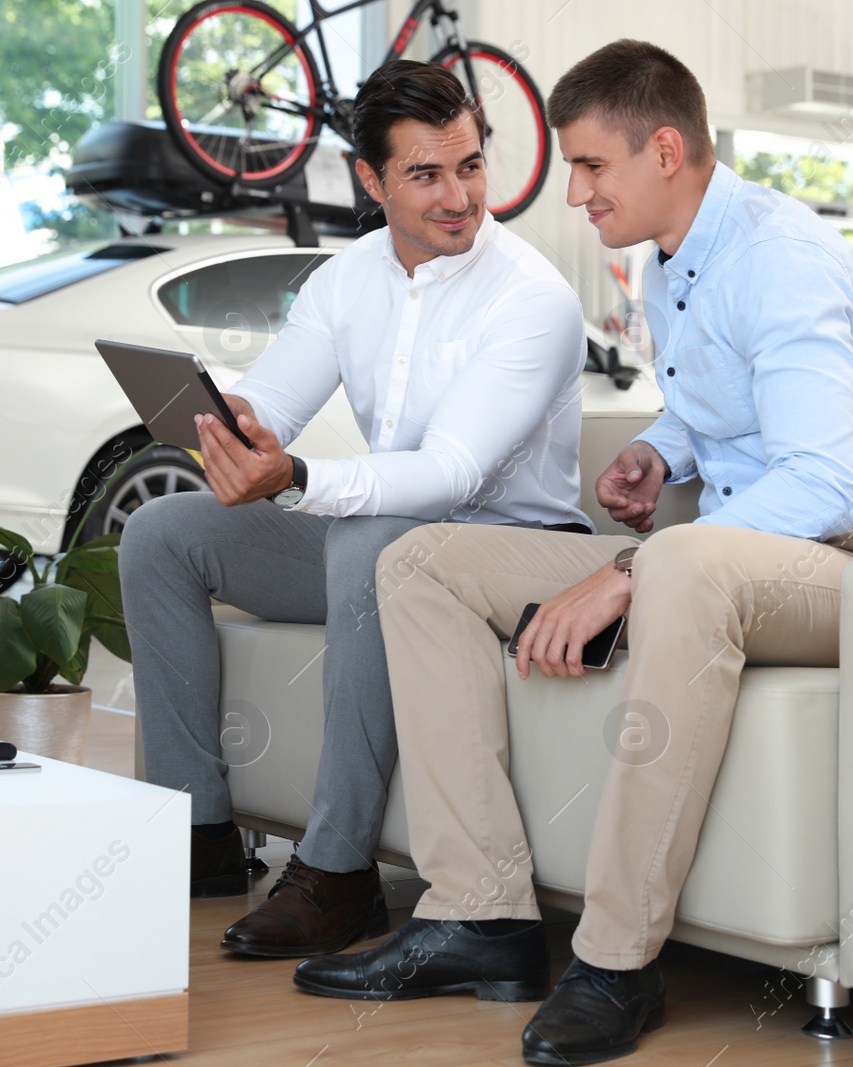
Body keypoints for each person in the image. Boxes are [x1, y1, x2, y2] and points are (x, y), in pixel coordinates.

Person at [291, 39, 853, 1064]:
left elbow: (820, 481)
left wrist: (627, 566)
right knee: (419, 560)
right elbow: (715, 406)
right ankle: (480, 912)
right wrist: (656, 447)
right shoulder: (669, 257)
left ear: (665, 149)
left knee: (679, 562)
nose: (573, 193)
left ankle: (614, 962)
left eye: (591, 166)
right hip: (747, 552)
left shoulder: (778, 259)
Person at [119, 59, 591, 960]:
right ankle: (201, 835)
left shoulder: (534, 301)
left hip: (506, 557)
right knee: (162, 532)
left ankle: (336, 874)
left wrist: (295, 477)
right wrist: (238, 427)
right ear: (370, 180)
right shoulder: (347, 280)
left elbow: (450, 474)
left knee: (370, 538)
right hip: (379, 549)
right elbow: (275, 404)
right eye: (425, 174)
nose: (460, 197)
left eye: (470, 166)